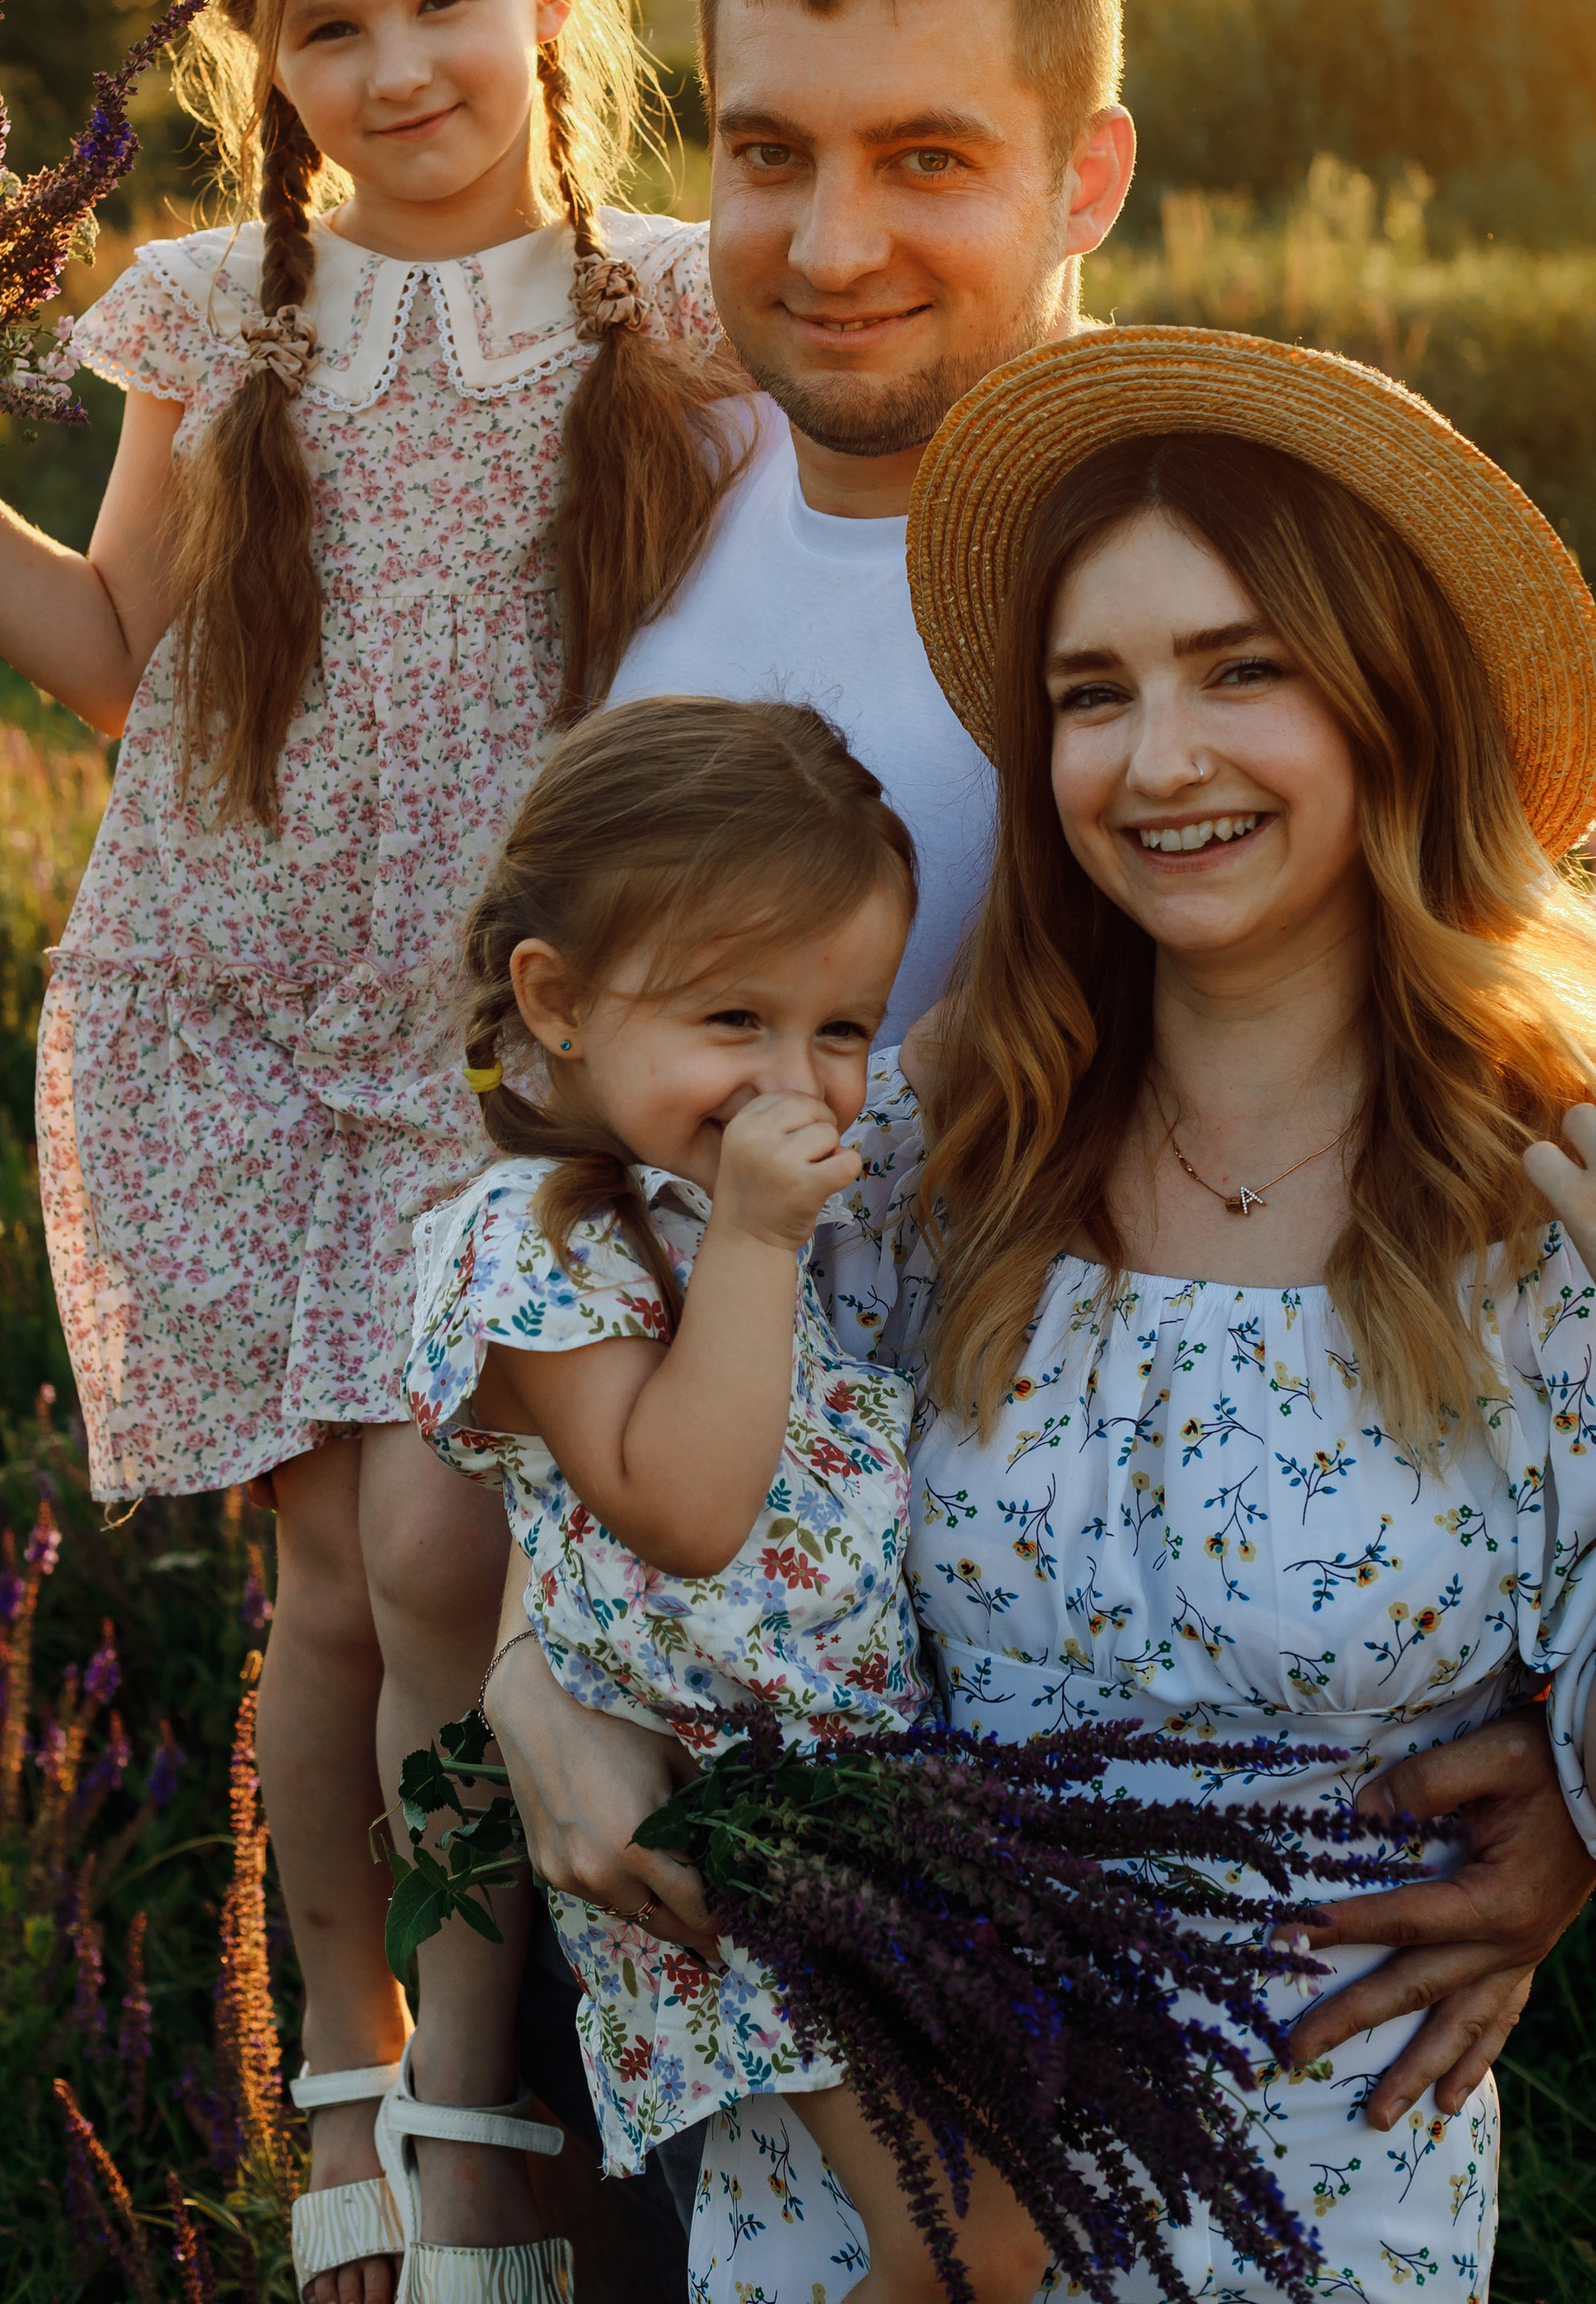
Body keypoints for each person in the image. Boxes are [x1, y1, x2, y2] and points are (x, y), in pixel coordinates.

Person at [0, 0, 750, 2304]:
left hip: (532, 1034)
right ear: (261, 63)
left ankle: (480, 2099)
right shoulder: (223, 308)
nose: (395, 71)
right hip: (237, 999)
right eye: (328, 33)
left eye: (438, 1)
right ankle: (368, 2113)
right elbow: (121, 658)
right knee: (334, 1585)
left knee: (470, 1553)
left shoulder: (680, 306)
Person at [582, 0, 1596, 2135]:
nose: (835, 245)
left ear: (1089, 172)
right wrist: (543, 1681)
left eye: (929, 154)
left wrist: (1586, 1778)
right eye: (769, 152)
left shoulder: (1195, 552)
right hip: (685, 1734)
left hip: (1083, 1796)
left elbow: (1490, 1059)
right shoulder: (641, 496)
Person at [691, 324, 1596, 2298]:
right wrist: (535, 1701)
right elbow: (654, 1519)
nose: (1155, 760)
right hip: (876, 2188)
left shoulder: (1565, 1184)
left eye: (1238, 669)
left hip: (1309, 2202)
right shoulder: (937, 1134)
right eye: (1091, 695)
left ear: (1384, 706)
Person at [406, 696, 1047, 2304]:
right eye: (732, 1020)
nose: (798, 1086)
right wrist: (762, 1242)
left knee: (983, 2226)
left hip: (852, 1813)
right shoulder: (533, 1244)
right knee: (970, 2241)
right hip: (725, 1835)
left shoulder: (709, 1209)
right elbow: (681, 1510)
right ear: (552, 1002)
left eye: (839, 1029)